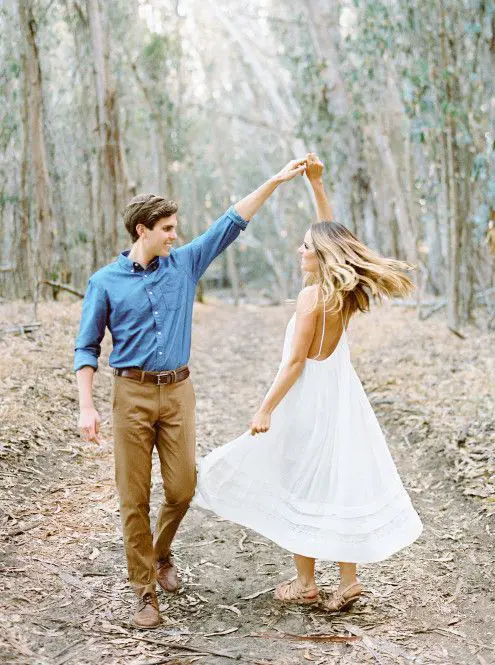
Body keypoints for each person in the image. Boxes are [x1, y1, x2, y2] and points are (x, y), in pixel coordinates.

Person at [74, 158, 308, 629]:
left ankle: (159, 553)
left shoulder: (184, 264)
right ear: (143, 230)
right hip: (130, 395)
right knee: (133, 497)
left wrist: (276, 179)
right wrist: (87, 406)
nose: (174, 236)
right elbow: (86, 346)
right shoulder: (105, 283)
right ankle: (143, 592)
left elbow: (232, 222)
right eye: (167, 229)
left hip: (178, 393)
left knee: (182, 489)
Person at [195, 154, 423, 611]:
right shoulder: (347, 291)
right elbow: (331, 236)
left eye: (305, 247)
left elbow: (295, 361)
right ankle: (348, 579)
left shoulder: (310, 298)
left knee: (301, 482)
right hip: (341, 396)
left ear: (320, 259)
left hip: (309, 399)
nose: (299, 251)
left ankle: (306, 582)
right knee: (334, 480)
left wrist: (265, 408)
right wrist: (317, 186)